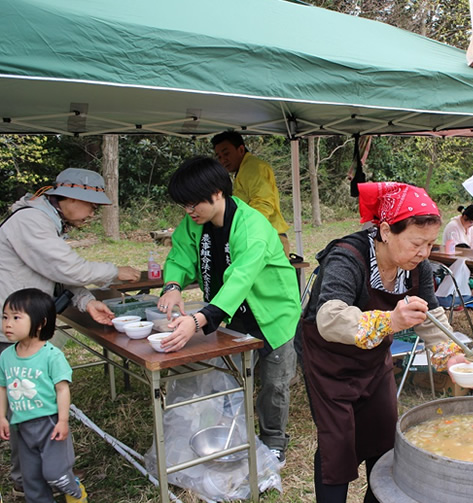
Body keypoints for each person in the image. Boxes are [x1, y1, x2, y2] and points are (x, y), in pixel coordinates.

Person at [301, 181, 466, 503]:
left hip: (374, 360)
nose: (424, 253)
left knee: (384, 439)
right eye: (417, 243)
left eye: (430, 244)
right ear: (387, 231)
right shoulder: (347, 257)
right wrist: (390, 321)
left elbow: (431, 316)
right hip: (328, 362)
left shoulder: (418, 268)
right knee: (337, 445)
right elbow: (329, 317)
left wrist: (452, 356)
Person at [0, 167, 140, 496]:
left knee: (31, 406)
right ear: (73, 198)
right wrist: (115, 271)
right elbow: (66, 266)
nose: (93, 213)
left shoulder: (46, 220)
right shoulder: (31, 221)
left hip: (26, 325)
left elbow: (57, 275)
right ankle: (34, 482)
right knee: (30, 408)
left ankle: (38, 477)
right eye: (92, 205)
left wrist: (87, 301)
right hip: (10, 329)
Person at [156, 156, 299, 465]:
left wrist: (196, 321)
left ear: (218, 193)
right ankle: (232, 434)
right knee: (228, 376)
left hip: (272, 314)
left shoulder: (252, 226)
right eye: (185, 206)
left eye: (194, 204)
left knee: (274, 383)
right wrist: (172, 286)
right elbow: (180, 253)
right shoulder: (194, 223)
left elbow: (241, 278)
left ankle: (273, 440)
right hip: (228, 316)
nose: (189, 212)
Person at [0, 288, 88, 503]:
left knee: (54, 474)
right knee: (32, 481)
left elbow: (62, 389)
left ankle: (74, 489)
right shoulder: (6, 356)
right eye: (5, 317)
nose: (7, 323)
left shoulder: (51, 356)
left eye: (16, 317)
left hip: (49, 424)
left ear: (40, 323)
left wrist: (63, 420)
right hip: (22, 427)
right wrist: (2, 416)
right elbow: (3, 387)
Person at [210, 131, 291, 255]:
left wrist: (244, 231)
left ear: (241, 149)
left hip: (265, 239)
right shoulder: (243, 170)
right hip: (259, 237)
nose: (223, 160)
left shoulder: (253, 168)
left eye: (226, 153)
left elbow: (263, 204)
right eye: (219, 156)